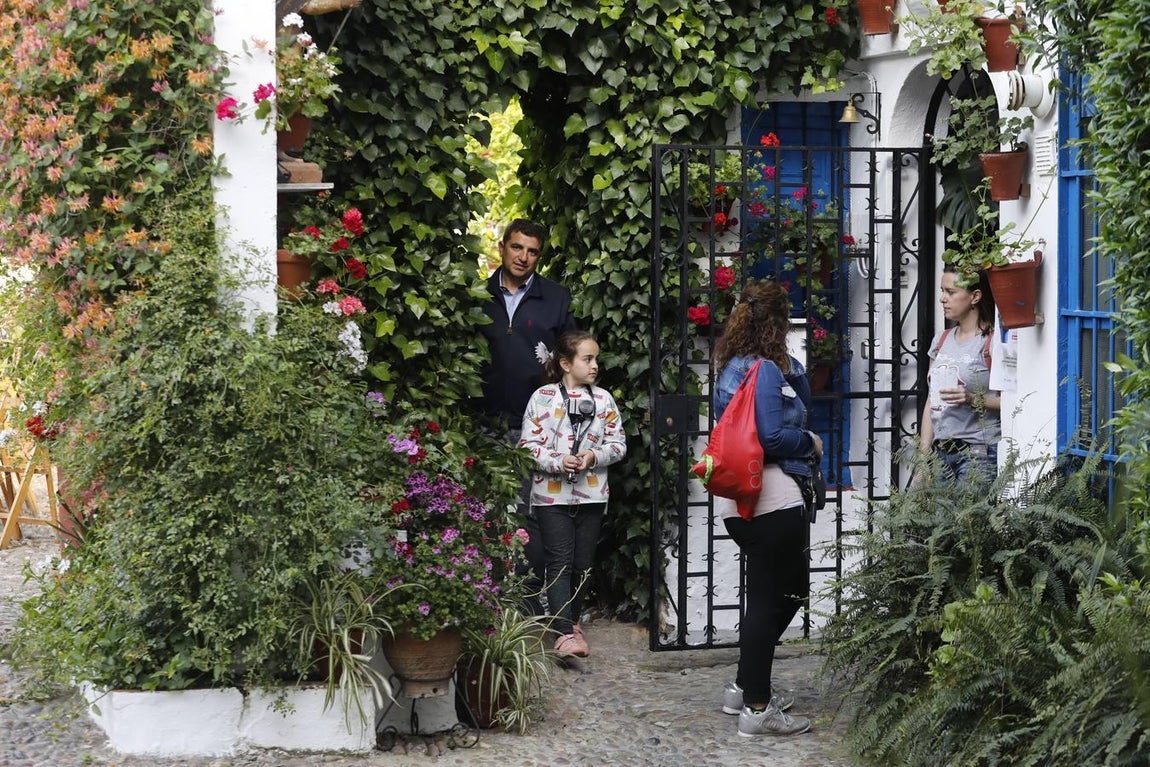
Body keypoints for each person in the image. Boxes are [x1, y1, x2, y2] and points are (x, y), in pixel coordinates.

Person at [711, 280, 821, 738]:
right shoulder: (766, 371)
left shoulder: (732, 367)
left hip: (740, 500)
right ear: (778, 322)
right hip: (774, 496)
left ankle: (744, 685)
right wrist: (810, 443)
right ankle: (756, 709)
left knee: (787, 588)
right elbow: (772, 438)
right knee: (770, 599)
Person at [478, 219, 577, 616]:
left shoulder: (555, 298)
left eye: (532, 251)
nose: (523, 257)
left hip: (532, 425)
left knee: (526, 513)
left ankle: (524, 597)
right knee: (484, 510)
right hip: (483, 422)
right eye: (517, 248)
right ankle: (488, 594)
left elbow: (570, 360)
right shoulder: (478, 295)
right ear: (502, 248)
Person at [518, 330, 626, 657]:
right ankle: (564, 632)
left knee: (582, 563)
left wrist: (593, 457)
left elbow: (618, 444)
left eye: (597, 359)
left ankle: (570, 623)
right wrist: (557, 461)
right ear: (565, 363)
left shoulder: (605, 399)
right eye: (587, 359)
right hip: (551, 497)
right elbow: (527, 447)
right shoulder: (542, 398)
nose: (595, 366)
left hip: (592, 495)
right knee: (560, 561)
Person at [919, 266, 1001, 484]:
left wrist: (972, 399)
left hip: (978, 453)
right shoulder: (941, 341)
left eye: (951, 292)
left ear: (975, 296)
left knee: (969, 519)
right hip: (940, 454)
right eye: (942, 291)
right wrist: (923, 460)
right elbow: (932, 401)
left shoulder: (992, 343)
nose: (942, 299)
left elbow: (1013, 403)